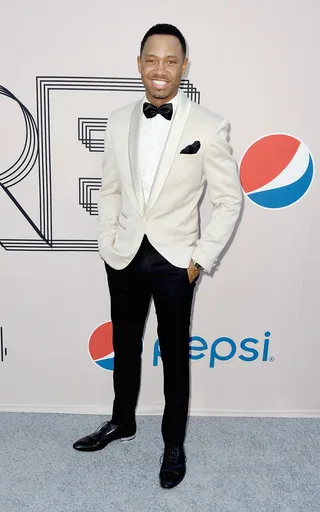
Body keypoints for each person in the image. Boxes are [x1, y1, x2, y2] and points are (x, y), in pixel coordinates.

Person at [73, 23, 242, 489]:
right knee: (124, 347)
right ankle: (122, 421)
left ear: (184, 66)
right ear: (140, 64)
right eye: (152, 59)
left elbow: (230, 200)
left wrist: (199, 260)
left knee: (174, 357)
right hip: (124, 255)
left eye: (171, 60)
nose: (160, 69)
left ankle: (173, 443)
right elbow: (108, 190)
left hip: (176, 262)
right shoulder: (117, 118)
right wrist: (108, 241)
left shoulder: (208, 125)